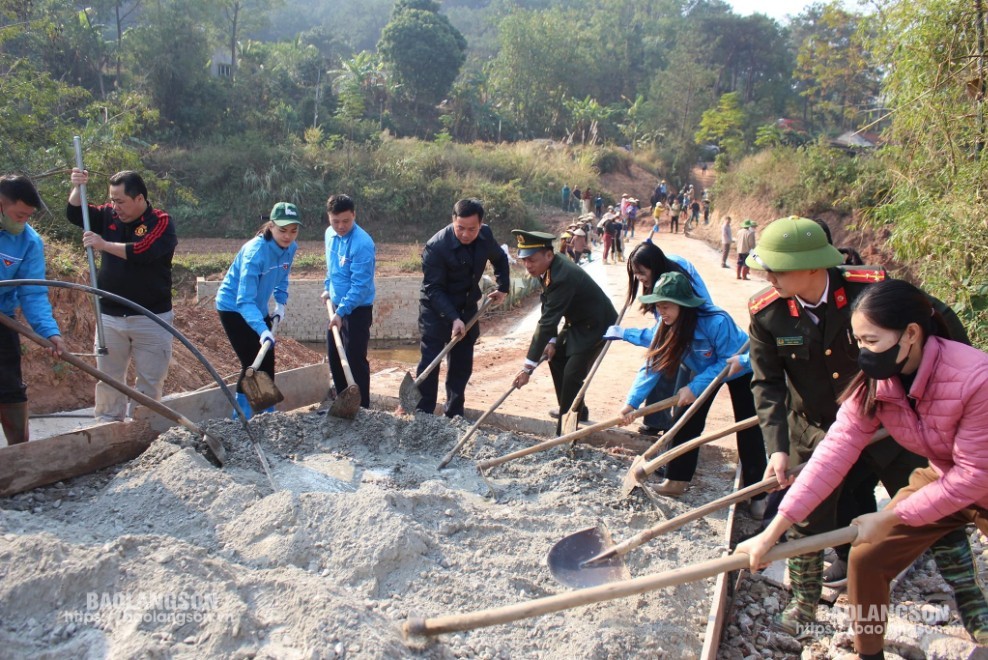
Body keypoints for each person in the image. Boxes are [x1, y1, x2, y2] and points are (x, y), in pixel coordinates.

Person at [739, 215, 986, 637]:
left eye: (778, 268)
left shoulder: (870, 290)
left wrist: (945, 389)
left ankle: (972, 602)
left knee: (939, 512)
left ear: (814, 265)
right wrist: (776, 446)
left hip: (897, 423)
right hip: (820, 427)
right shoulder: (769, 313)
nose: (768, 277)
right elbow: (766, 382)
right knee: (809, 518)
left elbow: (936, 320)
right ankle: (805, 604)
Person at [613, 272, 767, 498]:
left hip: (740, 366)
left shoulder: (716, 322)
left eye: (666, 306)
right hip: (705, 368)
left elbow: (725, 363)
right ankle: (676, 480)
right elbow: (653, 364)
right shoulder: (664, 327)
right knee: (685, 421)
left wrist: (695, 387)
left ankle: (757, 494)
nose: (660, 312)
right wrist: (632, 403)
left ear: (683, 306)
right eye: (658, 306)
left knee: (747, 428)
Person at [67, 168, 177, 422]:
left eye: (121, 201)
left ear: (139, 199)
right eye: (112, 200)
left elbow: (143, 251)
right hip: (110, 315)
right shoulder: (108, 215)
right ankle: (107, 428)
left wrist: (103, 245)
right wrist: (77, 187)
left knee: (150, 382)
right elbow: (75, 213)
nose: (115, 206)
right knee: (108, 379)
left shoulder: (160, 221)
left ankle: (144, 431)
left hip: (151, 317)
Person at [511, 230, 617, 435]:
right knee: (556, 357)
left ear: (548, 255)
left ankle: (566, 435)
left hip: (597, 324)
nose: (528, 265)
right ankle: (575, 410)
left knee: (572, 375)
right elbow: (548, 304)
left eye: (531, 260)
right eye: (524, 261)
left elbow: (546, 321)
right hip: (577, 321)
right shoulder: (549, 268)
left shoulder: (562, 275)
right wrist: (551, 341)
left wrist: (527, 369)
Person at [606, 240, 712, 437]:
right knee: (663, 362)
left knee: (684, 394)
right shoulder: (659, 285)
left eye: (641, 273)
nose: (638, 278)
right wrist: (632, 404)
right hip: (678, 329)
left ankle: (674, 447)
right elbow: (658, 338)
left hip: (700, 343)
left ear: (654, 267)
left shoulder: (682, 285)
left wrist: (631, 403)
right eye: (635, 273)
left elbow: (658, 350)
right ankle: (655, 422)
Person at [416, 198, 509, 418]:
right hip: (436, 309)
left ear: (480, 224)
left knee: (461, 363)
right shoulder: (436, 246)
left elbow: (501, 258)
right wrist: (452, 318)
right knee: (431, 359)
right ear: (453, 221)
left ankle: (454, 414)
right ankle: (423, 413)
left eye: (472, 229)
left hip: (467, 307)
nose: (466, 234)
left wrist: (503, 287)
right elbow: (434, 288)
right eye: (460, 228)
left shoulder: (485, 236)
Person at [215, 202, 301, 419]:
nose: (288, 236)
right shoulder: (255, 253)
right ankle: (241, 418)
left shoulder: (291, 248)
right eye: (282, 230)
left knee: (268, 360)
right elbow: (243, 301)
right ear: (271, 226)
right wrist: (262, 330)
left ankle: (266, 415)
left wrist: (280, 303)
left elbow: (283, 275)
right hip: (233, 307)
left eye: (293, 231)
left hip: (257, 306)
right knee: (251, 363)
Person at [0, 175, 65, 445]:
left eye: (28, 216)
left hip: (3, 320)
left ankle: (21, 455)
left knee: (10, 388)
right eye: (18, 214)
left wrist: (49, 332)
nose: (22, 221)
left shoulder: (29, 242)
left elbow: (33, 292)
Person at [322, 194, 375, 408]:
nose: (340, 226)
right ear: (329, 218)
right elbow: (332, 268)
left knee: (354, 360)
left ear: (354, 215)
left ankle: (362, 409)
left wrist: (342, 312)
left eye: (346, 221)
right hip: (336, 306)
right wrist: (328, 288)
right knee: (335, 356)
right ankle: (343, 403)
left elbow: (360, 286)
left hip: (357, 310)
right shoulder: (329, 235)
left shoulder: (362, 243)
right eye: (335, 221)